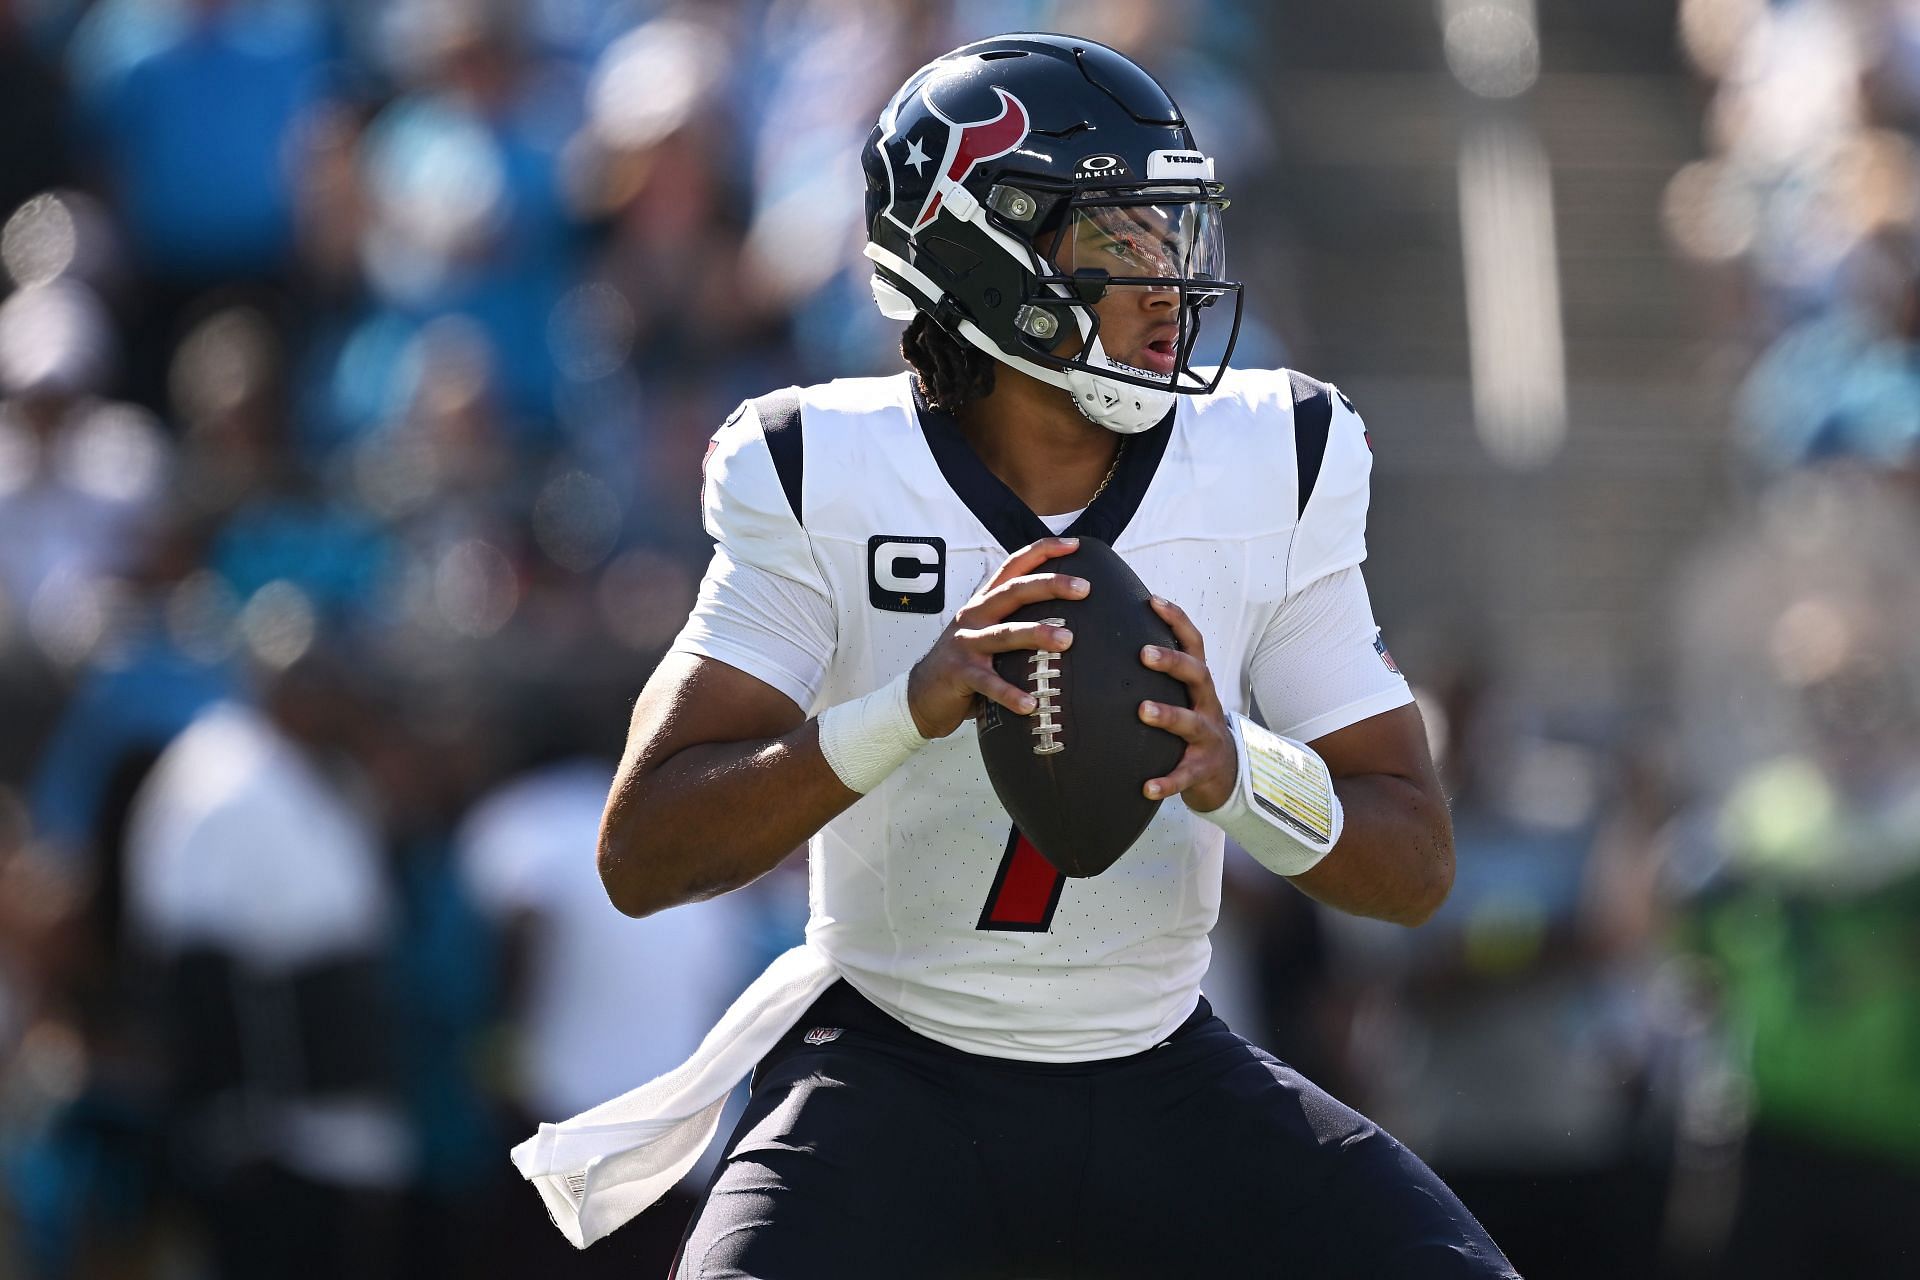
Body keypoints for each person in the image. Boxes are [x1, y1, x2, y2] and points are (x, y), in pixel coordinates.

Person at [516, 33, 1516, 1278]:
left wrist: (1237, 770)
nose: (1169, 285)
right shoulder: (822, 468)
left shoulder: (1276, 457)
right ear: (983, 259)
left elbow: (1414, 861)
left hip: (1160, 1068)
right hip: (890, 1074)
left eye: (1176, 233)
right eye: (1120, 242)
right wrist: (906, 709)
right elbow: (644, 848)